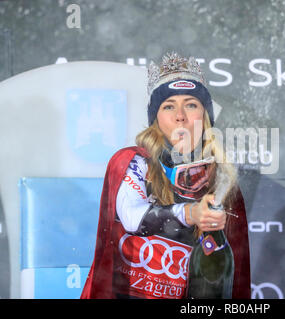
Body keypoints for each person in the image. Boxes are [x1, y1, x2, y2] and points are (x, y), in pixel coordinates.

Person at [80, 52, 250, 299]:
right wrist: (190, 213)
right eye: (169, 106)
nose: (180, 115)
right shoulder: (134, 161)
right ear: (155, 119)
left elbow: (227, 280)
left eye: (191, 104)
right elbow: (131, 217)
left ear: (204, 117)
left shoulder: (221, 182)